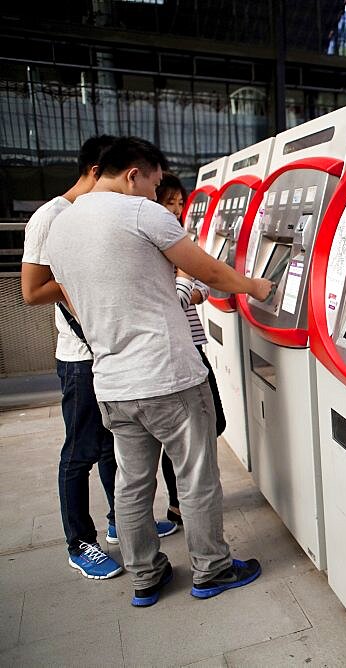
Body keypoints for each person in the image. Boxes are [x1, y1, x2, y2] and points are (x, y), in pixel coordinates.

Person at [46, 136, 273, 608]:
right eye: (153, 184)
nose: (156, 195)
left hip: (111, 379)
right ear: (134, 174)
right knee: (196, 476)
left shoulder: (62, 228)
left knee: (132, 483)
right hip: (168, 376)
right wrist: (256, 285)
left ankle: (145, 576)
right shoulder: (139, 212)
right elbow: (208, 272)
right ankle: (212, 569)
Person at [20, 135, 176, 581]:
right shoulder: (52, 217)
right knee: (80, 449)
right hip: (79, 356)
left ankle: (116, 521)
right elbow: (31, 291)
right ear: (97, 171)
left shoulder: (90, 214)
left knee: (113, 445)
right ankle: (78, 541)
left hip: (110, 347)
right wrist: (86, 281)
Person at [155, 173, 227, 525]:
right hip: (179, 351)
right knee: (188, 434)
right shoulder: (160, 247)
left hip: (192, 344)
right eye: (171, 203)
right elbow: (184, 295)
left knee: (211, 424)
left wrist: (193, 287)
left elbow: (203, 288)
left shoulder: (177, 243)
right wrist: (190, 282)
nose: (178, 210)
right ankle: (182, 503)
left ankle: (181, 501)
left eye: (181, 203)